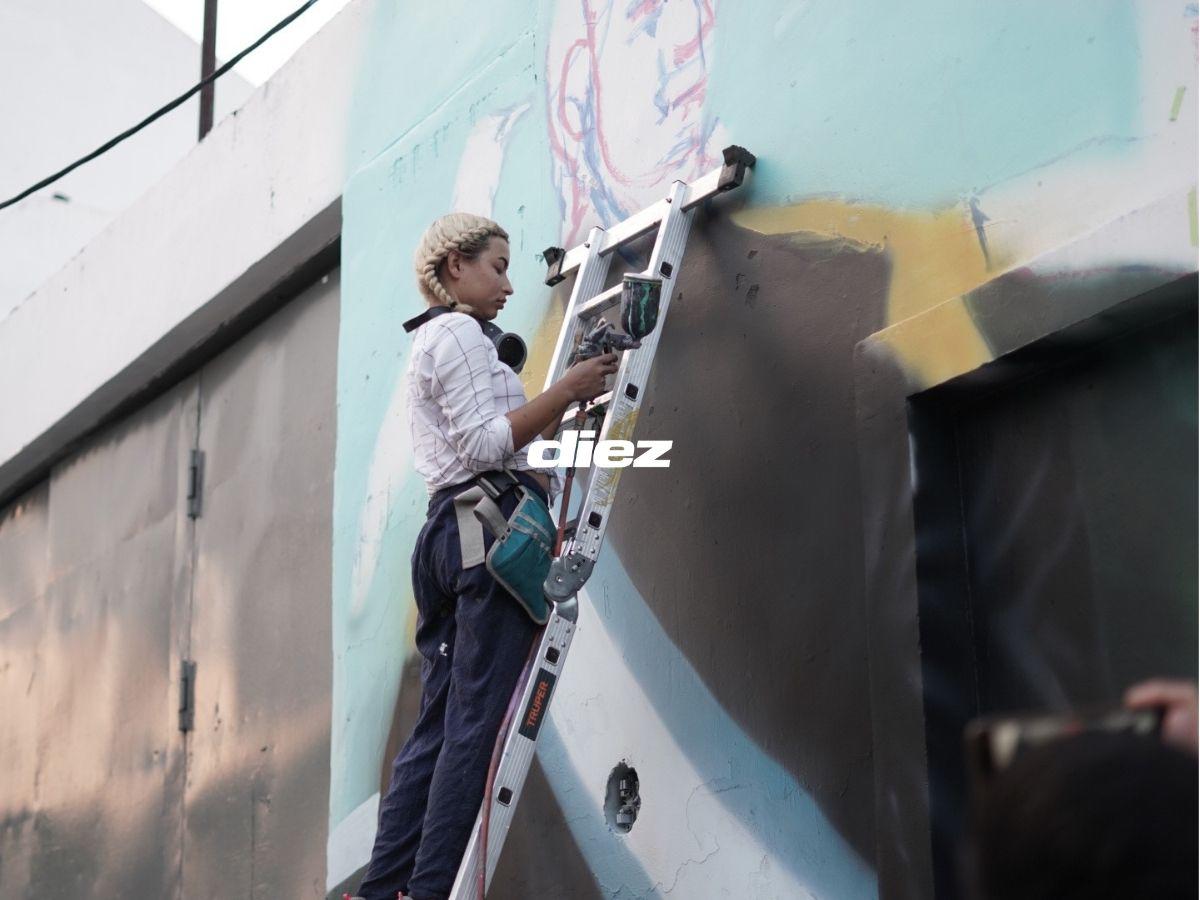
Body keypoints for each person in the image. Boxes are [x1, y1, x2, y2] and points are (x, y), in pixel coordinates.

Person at [353, 213, 618, 900]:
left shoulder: (435, 342)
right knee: (474, 727)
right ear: (454, 270)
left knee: (437, 731)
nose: (507, 282)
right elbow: (486, 446)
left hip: (451, 536)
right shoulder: (464, 335)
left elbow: (498, 440)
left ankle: (388, 890)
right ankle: (430, 888)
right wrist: (565, 391)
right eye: (496, 266)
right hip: (486, 533)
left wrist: (571, 394)